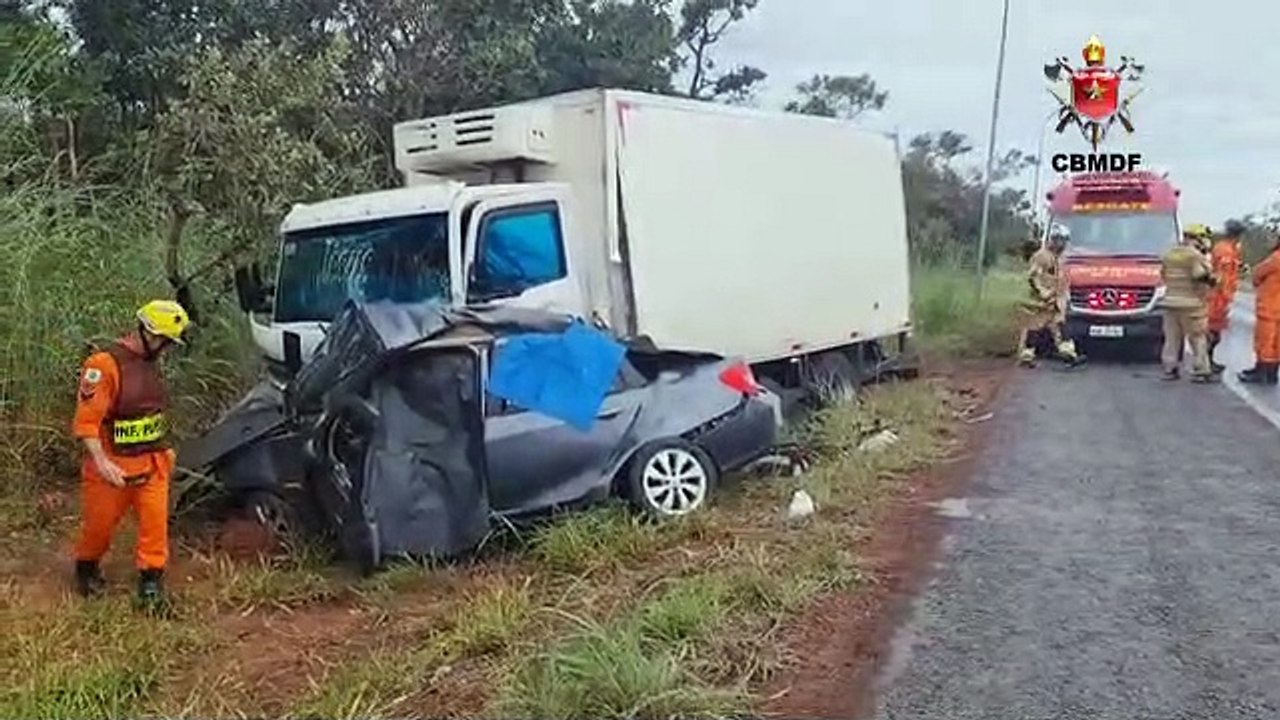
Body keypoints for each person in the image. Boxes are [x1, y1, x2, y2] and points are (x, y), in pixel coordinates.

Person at [72, 300, 189, 611]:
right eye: (164, 341)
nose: (166, 349)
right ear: (148, 333)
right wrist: (102, 461)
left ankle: (151, 585)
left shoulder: (152, 363)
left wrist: (165, 448)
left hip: (152, 462)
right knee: (99, 528)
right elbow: (87, 422)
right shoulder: (103, 365)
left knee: (155, 527)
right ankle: (86, 567)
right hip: (112, 467)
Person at [1016, 224, 1082, 367]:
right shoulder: (1041, 256)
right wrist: (1043, 294)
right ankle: (1026, 356)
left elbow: (1063, 279)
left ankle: (1068, 354)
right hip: (1042, 302)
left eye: (1065, 240)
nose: (1063, 244)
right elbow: (1033, 277)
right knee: (1035, 328)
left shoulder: (1060, 258)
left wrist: (1066, 296)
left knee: (1061, 327)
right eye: (1061, 240)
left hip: (1056, 301)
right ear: (1054, 240)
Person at [1158, 227, 1215, 382]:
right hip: (1192, 304)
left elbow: (1162, 275)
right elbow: (1199, 275)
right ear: (1198, 238)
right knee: (1198, 338)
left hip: (1170, 302)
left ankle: (1170, 368)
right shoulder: (1195, 256)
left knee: (1171, 338)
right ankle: (1201, 370)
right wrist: (1212, 279)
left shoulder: (1169, 254)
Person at [1238, 234, 1280, 385]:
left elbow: (1256, 274)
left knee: (1264, 342)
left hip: (1270, 307)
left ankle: (1261, 372)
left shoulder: (1275, 259)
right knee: (1276, 344)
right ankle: (1272, 373)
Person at [1206, 220, 1245, 373]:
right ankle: (1205, 362)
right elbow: (1222, 276)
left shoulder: (1228, 249)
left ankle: (1207, 361)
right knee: (1212, 332)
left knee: (1215, 331)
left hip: (1220, 295)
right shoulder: (1225, 250)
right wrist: (1225, 295)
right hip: (1217, 297)